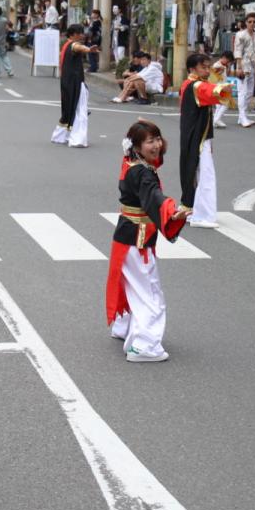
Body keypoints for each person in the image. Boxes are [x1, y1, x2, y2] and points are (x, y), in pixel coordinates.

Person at [105, 120, 191, 363]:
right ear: (137, 146)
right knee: (150, 292)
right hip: (137, 239)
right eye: (150, 141)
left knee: (133, 285)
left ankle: (124, 328)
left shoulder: (131, 162)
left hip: (127, 235)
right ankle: (145, 346)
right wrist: (174, 211)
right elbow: (153, 197)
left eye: (157, 139)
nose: (156, 145)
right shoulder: (142, 172)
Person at [180, 53, 231, 229]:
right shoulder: (195, 85)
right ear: (192, 69)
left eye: (208, 67)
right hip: (198, 137)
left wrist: (216, 75)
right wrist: (224, 85)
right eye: (204, 67)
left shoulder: (190, 84)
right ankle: (202, 215)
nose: (207, 70)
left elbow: (211, 88)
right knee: (205, 175)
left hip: (196, 135)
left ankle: (190, 208)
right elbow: (214, 92)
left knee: (195, 172)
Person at [50, 24, 97, 148]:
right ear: (72, 34)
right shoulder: (72, 45)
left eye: (82, 33)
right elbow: (78, 47)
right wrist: (88, 50)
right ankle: (78, 139)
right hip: (75, 83)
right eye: (79, 33)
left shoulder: (65, 45)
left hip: (67, 81)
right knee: (79, 110)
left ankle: (60, 136)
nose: (81, 35)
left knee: (68, 109)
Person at [232, 12, 255, 127]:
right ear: (246, 22)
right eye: (250, 22)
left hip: (252, 66)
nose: (252, 24)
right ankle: (242, 117)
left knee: (249, 92)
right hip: (242, 65)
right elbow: (237, 51)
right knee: (242, 92)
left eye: (254, 22)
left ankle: (242, 116)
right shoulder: (240, 35)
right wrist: (238, 68)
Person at [209, 51, 233, 129]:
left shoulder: (223, 65)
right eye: (228, 60)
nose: (228, 62)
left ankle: (215, 121)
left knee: (219, 105)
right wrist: (220, 69)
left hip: (220, 87)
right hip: (219, 87)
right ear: (224, 58)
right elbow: (213, 75)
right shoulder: (218, 65)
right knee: (226, 104)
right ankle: (217, 119)